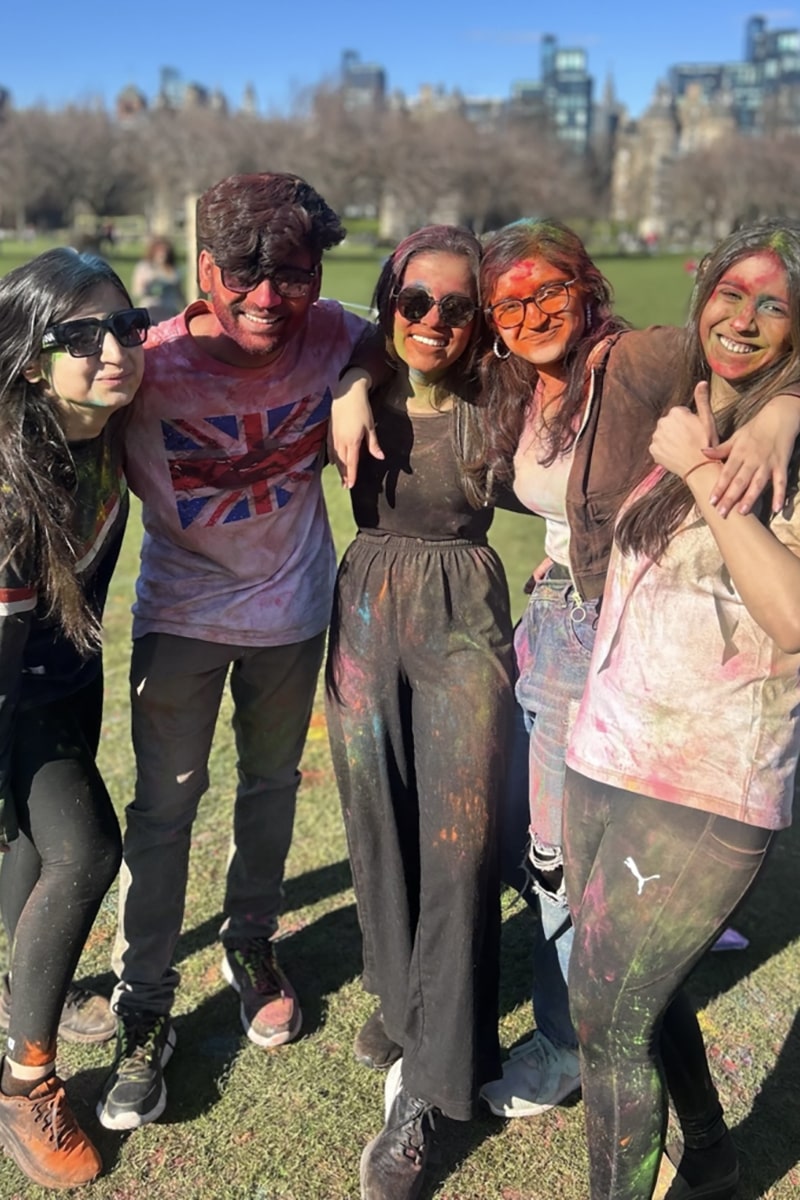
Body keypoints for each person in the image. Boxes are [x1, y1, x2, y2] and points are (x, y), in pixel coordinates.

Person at [473, 218, 800, 1124]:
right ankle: (615, 1007)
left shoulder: (643, 358)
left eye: (549, 291)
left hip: (614, 646)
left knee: (559, 868)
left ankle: (566, 1043)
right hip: (556, 624)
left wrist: (786, 408)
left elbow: (746, 342)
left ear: (587, 286)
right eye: (510, 301)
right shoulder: (507, 380)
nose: (531, 313)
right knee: (545, 853)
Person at [97, 171, 378, 1133]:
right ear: (204, 270)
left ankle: (250, 941)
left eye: (292, 277)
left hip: (291, 614)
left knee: (269, 788)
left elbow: (412, 342)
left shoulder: (337, 330)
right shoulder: (144, 363)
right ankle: (144, 1001)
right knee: (165, 809)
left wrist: (352, 383)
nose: (268, 301)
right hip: (179, 615)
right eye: (245, 277)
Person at [562, 218, 800, 1200]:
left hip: (706, 785)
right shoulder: (689, 404)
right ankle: (707, 1149)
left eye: (773, 303)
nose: (741, 318)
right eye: (728, 293)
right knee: (635, 999)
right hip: (602, 752)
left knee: (603, 1021)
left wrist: (707, 478)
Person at [325, 225, 514, 1200]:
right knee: (378, 829)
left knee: (458, 841)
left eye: (455, 306)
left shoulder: (501, 401)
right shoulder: (354, 381)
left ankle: (433, 1097)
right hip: (363, 609)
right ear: (389, 302)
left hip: (459, 616)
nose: (433, 321)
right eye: (415, 301)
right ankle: (405, 1011)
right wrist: (353, 382)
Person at [0, 248, 148, 1189]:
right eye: (80, 337)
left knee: (34, 853)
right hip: (13, 686)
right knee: (85, 849)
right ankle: (26, 1081)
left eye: (125, 327)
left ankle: (20, 1005)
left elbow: (275, 321)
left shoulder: (105, 413)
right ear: (28, 358)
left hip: (69, 668)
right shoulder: (12, 482)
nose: (113, 351)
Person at [131, 237, 185, 324]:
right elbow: (138, 291)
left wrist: (186, 308)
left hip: (169, 312)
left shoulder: (174, 269)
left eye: (165, 251)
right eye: (159, 250)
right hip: (150, 311)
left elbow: (180, 292)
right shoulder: (144, 268)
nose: (162, 254)